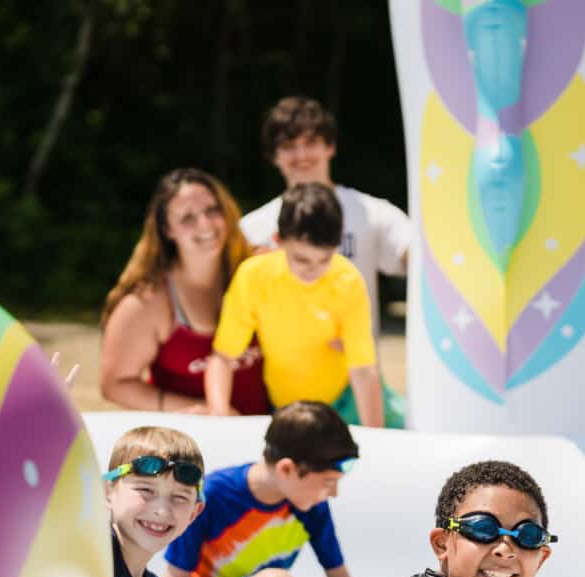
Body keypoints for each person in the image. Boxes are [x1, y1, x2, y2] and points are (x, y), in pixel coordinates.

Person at [160, 401, 374, 577]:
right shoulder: (213, 495)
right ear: (286, 469)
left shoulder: (310, 506)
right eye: (327, 483)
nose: (333, 494)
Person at [206, 182, 402, 427]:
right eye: (302, 259)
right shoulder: (253, 276)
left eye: (324, 259)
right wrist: (218, 415)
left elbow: (363, 370)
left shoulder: (348, 280)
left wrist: (375, 436)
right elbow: (223, 357)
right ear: (278, 240)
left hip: (348, 398)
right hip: (288, 408)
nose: (314, 270)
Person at [101, 168, 270, 416]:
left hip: (268, 437)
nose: (204, 224)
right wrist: (201, 411)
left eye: (212, 211)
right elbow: (114, 384)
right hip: (190, 444)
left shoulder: (259, 271)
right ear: (167, 230)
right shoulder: (149, 302)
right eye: (187, 218)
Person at [240, 95, 411, 338]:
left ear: (330, 146)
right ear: (274, 156)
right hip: (281, 372)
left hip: (357, 368)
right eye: (288, 146)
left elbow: (418, 257)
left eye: (311, 142)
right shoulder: (252, 229)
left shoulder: (372, 212)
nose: (301, 155)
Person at [372, 461, 554, 577]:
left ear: (541, 559)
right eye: (483, 528)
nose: (505, 550)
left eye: (528, 535)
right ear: (442, 544)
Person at [103, 426, 205, 577]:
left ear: (194, 513)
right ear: (108, 492)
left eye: (179, 497)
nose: (162, 511)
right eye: (145, 490)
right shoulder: (96, 560)